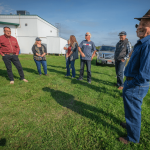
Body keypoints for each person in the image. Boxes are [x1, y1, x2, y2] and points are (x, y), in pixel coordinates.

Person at [119, 10, 150, 144]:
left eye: (145, 23)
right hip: (132, 82)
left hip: (136, 84)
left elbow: (145, 74)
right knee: (131, 109)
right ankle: (131, 125)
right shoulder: (142, 42)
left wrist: (130, 84)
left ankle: (132, 139)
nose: (140, 26)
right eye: (139, 24)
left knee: (133, 110)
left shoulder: (148, 44)